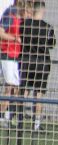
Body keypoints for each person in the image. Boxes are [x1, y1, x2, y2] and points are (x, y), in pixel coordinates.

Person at [19, 0, 55, 132]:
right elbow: (52, 44)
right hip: (42, 63)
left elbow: (20, 39)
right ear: (43, 10)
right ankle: (37, 124)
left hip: (26, 61)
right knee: (38, 94)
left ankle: (19, 120)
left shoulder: (24, 25)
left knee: (24, 92)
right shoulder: (48, 27)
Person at [0, 0, 25, 128]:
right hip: (7, 54)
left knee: (16, 88)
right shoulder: (10, 13)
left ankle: (9, 115)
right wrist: (16, 38)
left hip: (17, 56)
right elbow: (1, 33)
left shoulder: (22, 15)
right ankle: (2, 115)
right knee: (9, 87)